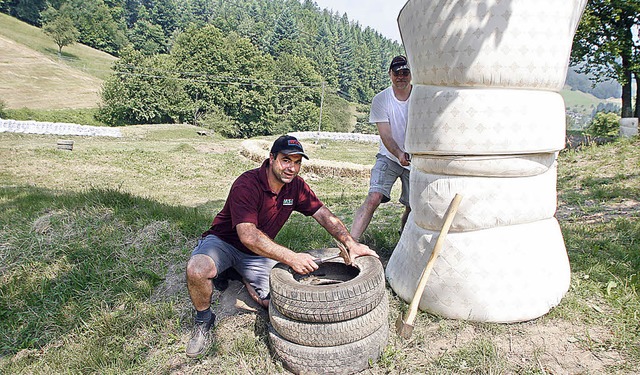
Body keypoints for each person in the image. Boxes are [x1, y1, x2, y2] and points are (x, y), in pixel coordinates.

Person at [185, 135, 378, 358]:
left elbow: (323, 215)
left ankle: (239, 274)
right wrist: (291, 257)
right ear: (271, 158)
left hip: (257, 254)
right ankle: (203, 320)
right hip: (224, 242)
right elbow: (247, 236)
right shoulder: (246, 184)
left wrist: (350, 243)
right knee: (198, 269)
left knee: (274, 301)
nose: (292, 168)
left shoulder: (296, 187)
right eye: (286, 160)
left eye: (297, 162)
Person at [351, 55, 412, 241]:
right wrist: (399, 153)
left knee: (413, 206)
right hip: (389, 156)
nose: (400, 76)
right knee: (374, 197)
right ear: (390, 74)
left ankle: (403, 237)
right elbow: (385, 135)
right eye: (397, 73)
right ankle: (350, 243)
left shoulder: (420, 97)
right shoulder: (381, 100)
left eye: (405, 72)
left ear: (411, 74)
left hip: (415, 159)